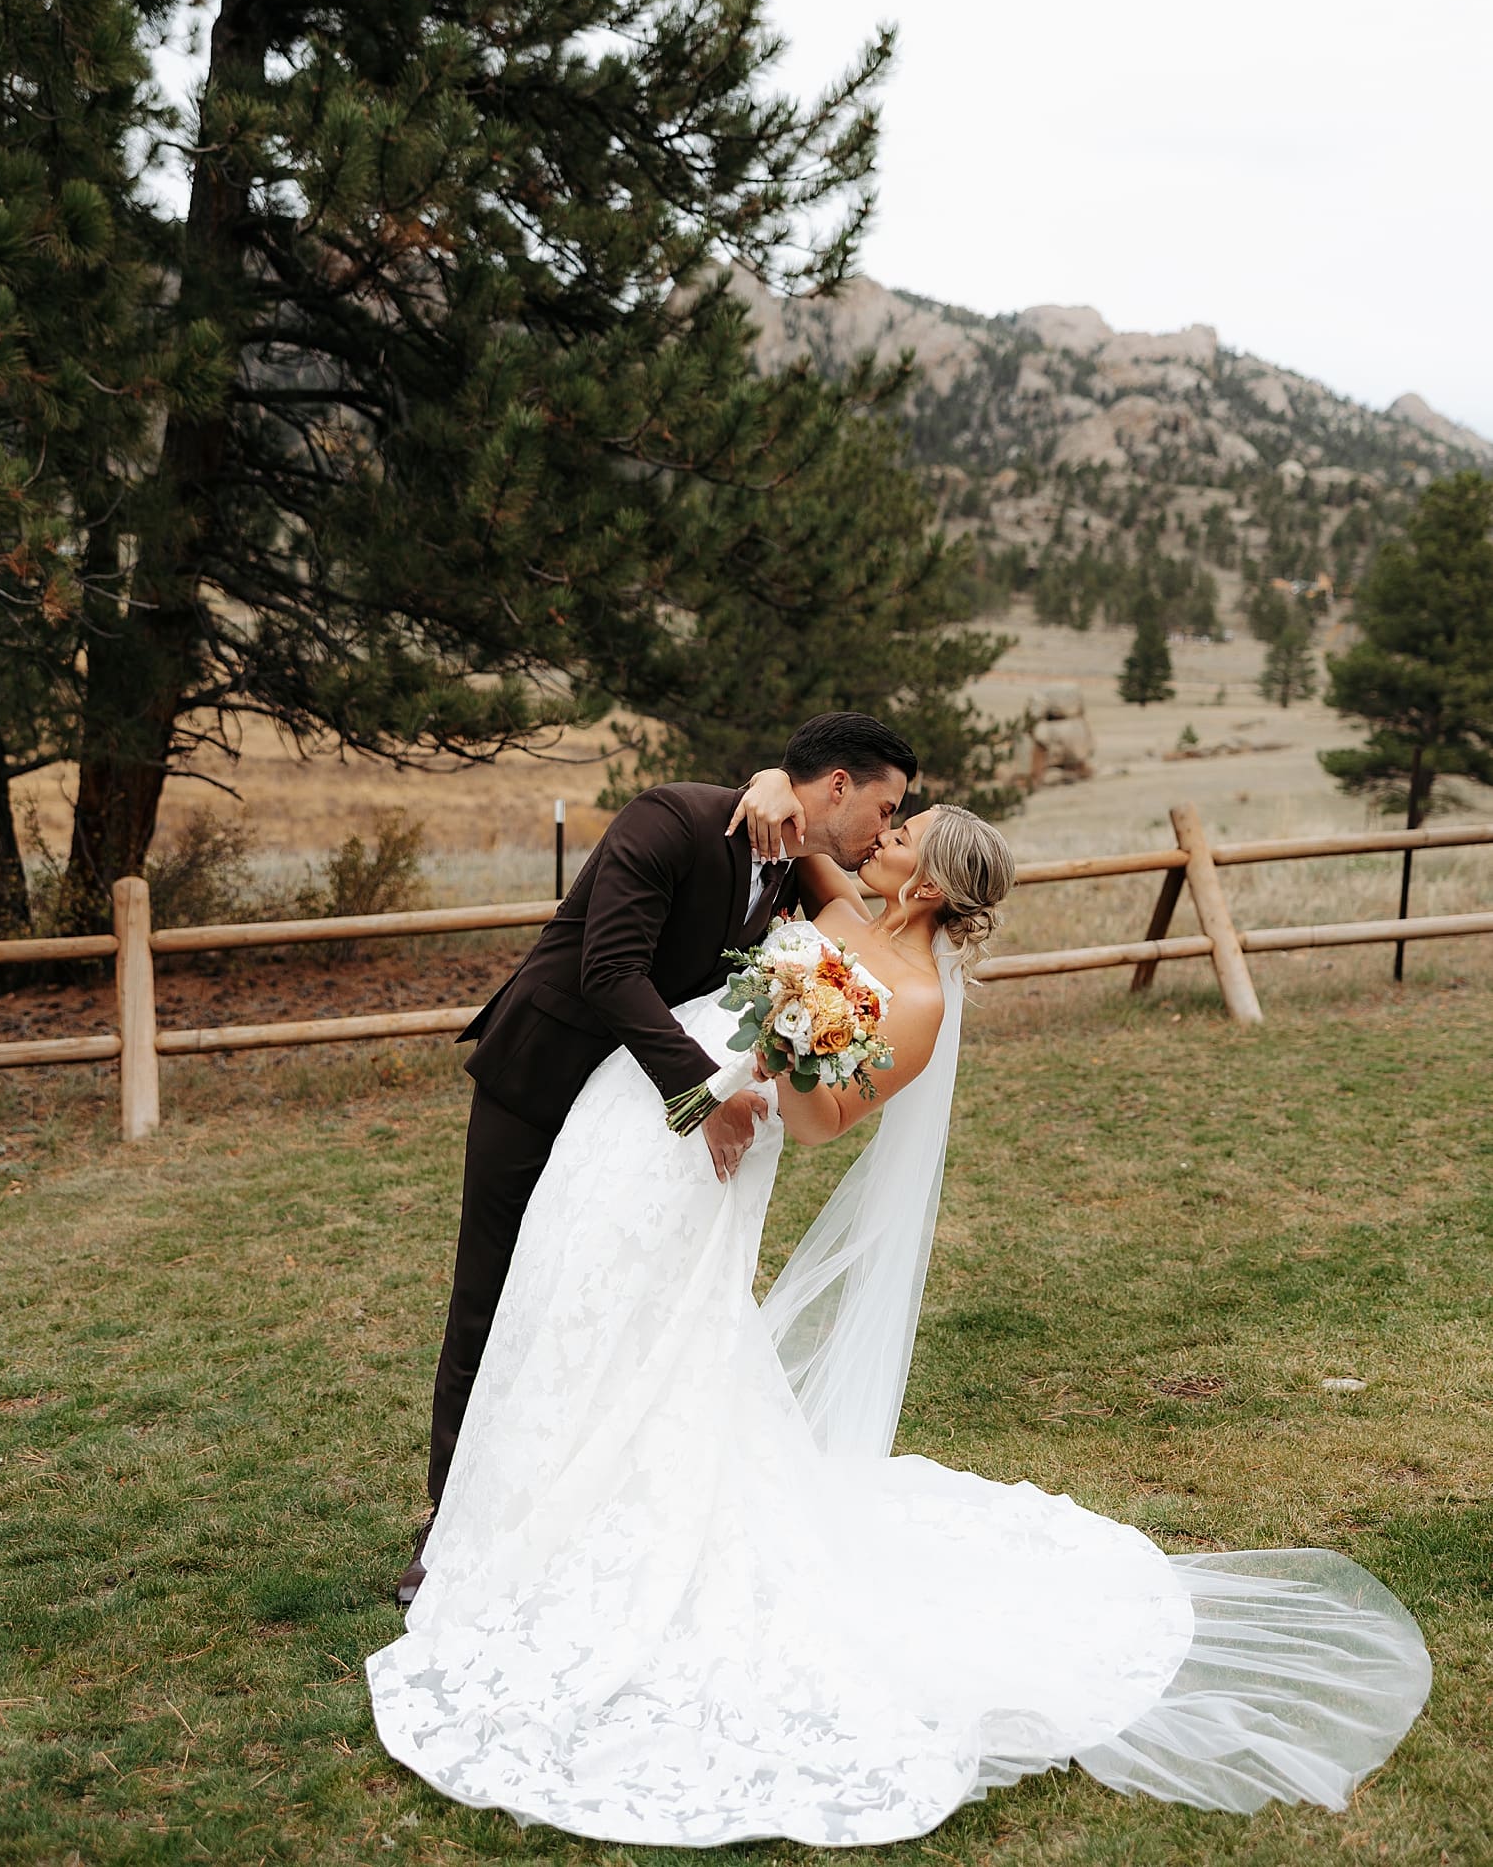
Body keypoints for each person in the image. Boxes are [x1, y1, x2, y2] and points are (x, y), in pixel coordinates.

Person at [367, 786, 1430, 1843]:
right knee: (574, 1307)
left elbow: (827, 1121)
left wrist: (796, 1025)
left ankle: (591, 1523)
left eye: (903, 835)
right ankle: (522, 1499)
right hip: (644, 1108)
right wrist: (771, 789)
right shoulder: (847, 889)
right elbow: (790, 826)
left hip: (719, 1148)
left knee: (658, 1334)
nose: (882, 835)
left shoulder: (915, 998)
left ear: (925, 883)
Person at [397, 713, 919, 1606]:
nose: (885, 826)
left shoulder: (792, 858)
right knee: (491, 1297)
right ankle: (451, 1526)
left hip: (625, 1110)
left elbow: (846, 900)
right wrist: (702, 1098)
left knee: (586, 1296)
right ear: (838, 786)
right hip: (544, 1077)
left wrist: (769, 782)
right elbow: (610, 972)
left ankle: (565, 1496)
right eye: (886, 806)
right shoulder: (671, 819)